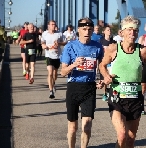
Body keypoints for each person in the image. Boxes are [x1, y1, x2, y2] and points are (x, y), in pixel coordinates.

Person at [99, 15, 146, 148]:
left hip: (136, 98)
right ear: (122, 32)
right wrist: (106, 76)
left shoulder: (142, 51)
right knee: (122, 135)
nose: (133, 33)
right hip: (116, 97)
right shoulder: (114, 49)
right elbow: (102, 66)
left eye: (136, 30)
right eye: (129, 29)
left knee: (131, 139)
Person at [60, 17, 103, 148]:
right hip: (73, 87)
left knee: (87, 126)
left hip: (89, 87)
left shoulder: (98, 47)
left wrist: (101, 79)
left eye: (90, 29)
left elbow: (101, 66)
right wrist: (74, 64)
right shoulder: (70, 46)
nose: (87, 32)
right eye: (84, 29)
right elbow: (62, 72)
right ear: (78, 30)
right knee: (73, 127)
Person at [41, 20, 65, 98]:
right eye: (52, 24)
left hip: (57, 56)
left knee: (55, 74)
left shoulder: (59, 34)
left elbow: (65, 42)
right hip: (48, 55)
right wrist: (44, 46)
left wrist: (59, 43)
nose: (53, 26)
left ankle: (53, 83)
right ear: (48, 26)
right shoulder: (45, 34)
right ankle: (51, 91)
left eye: (54, 24)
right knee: (50, 72)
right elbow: (42, 42)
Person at [100, 25, 116, 101]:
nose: (109, 31)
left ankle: (111, 93)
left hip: (111, 63)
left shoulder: (113, 42)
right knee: (104, 78)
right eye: (108, 30)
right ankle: (105, 93)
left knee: (110, 78)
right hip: (103, 62)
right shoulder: (101, 41)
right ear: (104, 32)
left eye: (110, 30)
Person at [138, 24, 146, 115]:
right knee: (143, 87)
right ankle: (141, 107)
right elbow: (138, 52)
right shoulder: (142, 38)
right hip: (144, 64)